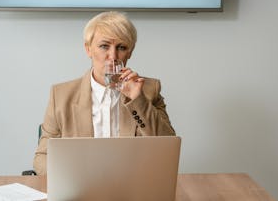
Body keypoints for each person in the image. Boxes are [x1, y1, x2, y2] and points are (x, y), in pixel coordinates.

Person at [33, 11, 175, 175]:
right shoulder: (61, 95)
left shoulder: (149, 90)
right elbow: (42, 158)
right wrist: (73, 178)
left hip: (132, 187)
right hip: (81, 189)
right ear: (88, 49)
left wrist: (138, 100)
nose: (113, 56)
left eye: (121, 47)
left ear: (130, 52)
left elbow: (168, 149)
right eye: (104, 46)